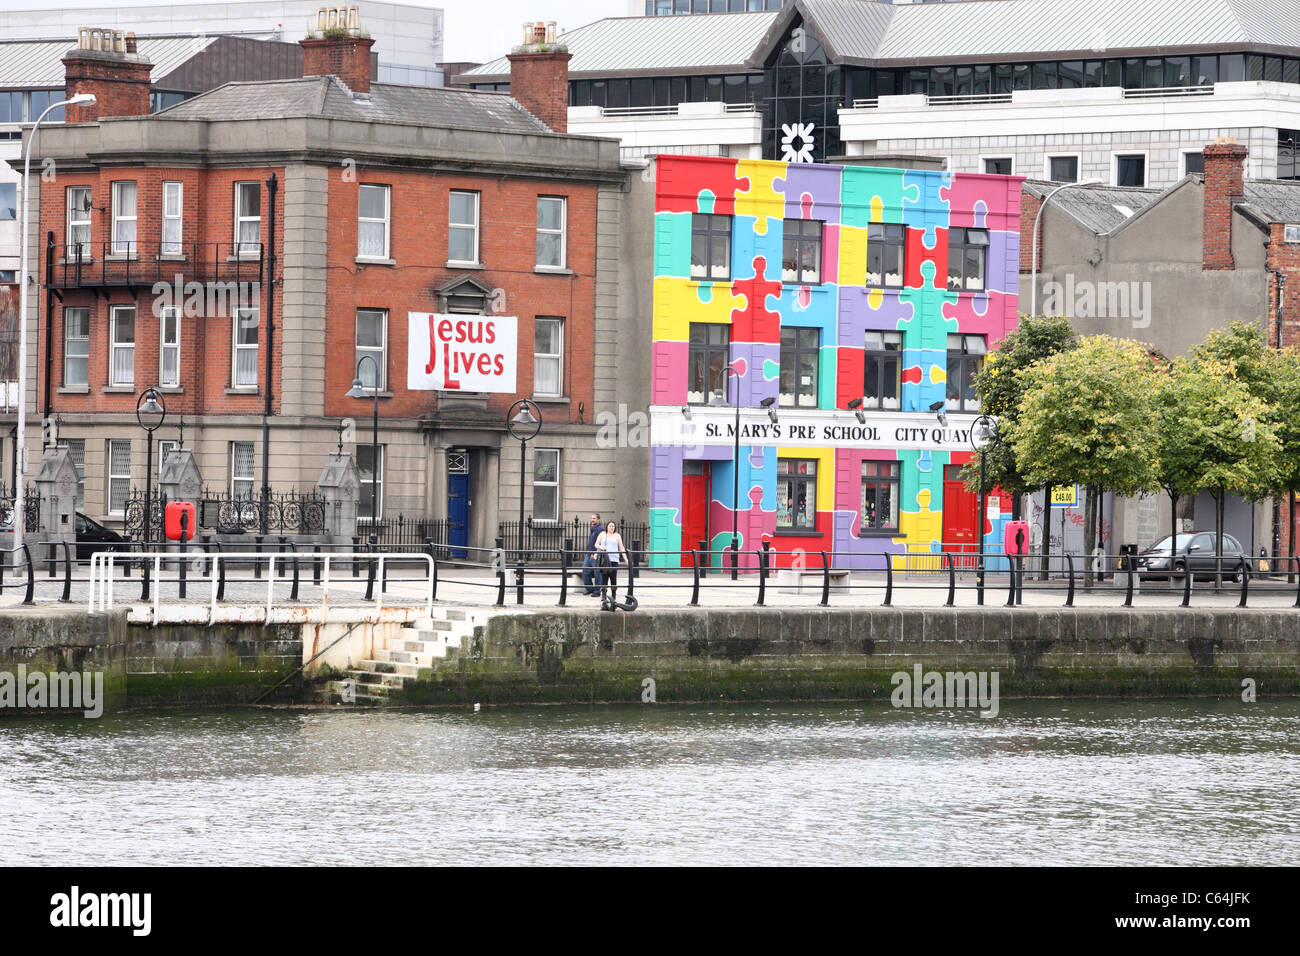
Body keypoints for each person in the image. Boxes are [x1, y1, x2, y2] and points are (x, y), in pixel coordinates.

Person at [595, 520, 627, 600]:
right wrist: (601, 547)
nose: (611, 527)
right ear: (607, 527)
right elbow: (596, 544)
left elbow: (621, 547)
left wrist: (626, 559)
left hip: (614, 560)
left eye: (613, 526)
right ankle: (604, 595)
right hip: (605, 559)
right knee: (604, 577)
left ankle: (613, 595)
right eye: (610, 526)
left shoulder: (617, 536)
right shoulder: (603, 534)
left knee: (613, 578)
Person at [581, 513, 602, 596]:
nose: (592, 520)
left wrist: (594, 552)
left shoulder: (601, 529)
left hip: (595, 554)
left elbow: (600, 542)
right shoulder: (593, 528)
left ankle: (597, 591)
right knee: (585, 572)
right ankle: (589, 589)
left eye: (594, 518)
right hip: (589, 554)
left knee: (597, 573)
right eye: (592, 518)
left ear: (598, 519)